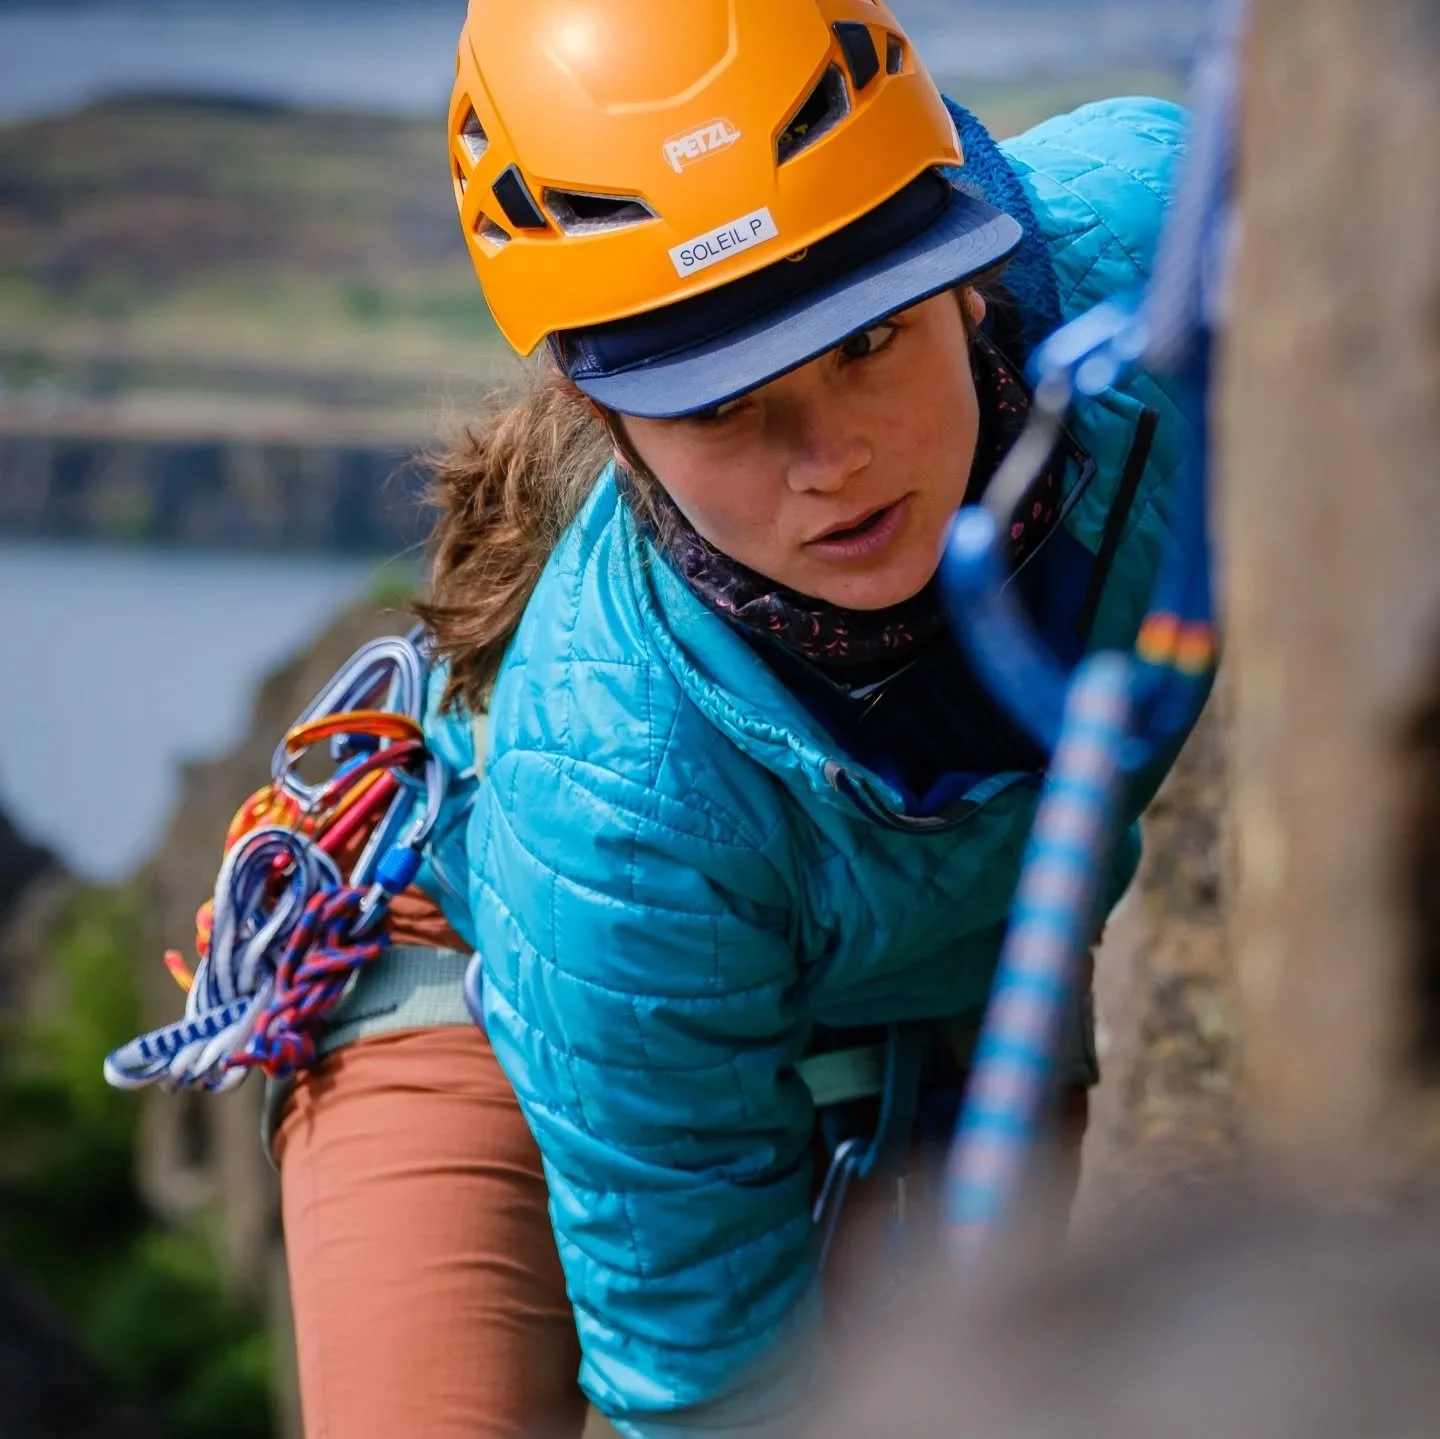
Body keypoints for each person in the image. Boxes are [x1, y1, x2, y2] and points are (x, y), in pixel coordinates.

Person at [273, 2, 1201, 1435]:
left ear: (967, 257)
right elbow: (712, 1394)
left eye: (872, 336)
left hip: (929, 969)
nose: (832, 463)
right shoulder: (613, 783)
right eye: (720, 407)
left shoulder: (1172, 269)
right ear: (603, 406)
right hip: (490, 978)